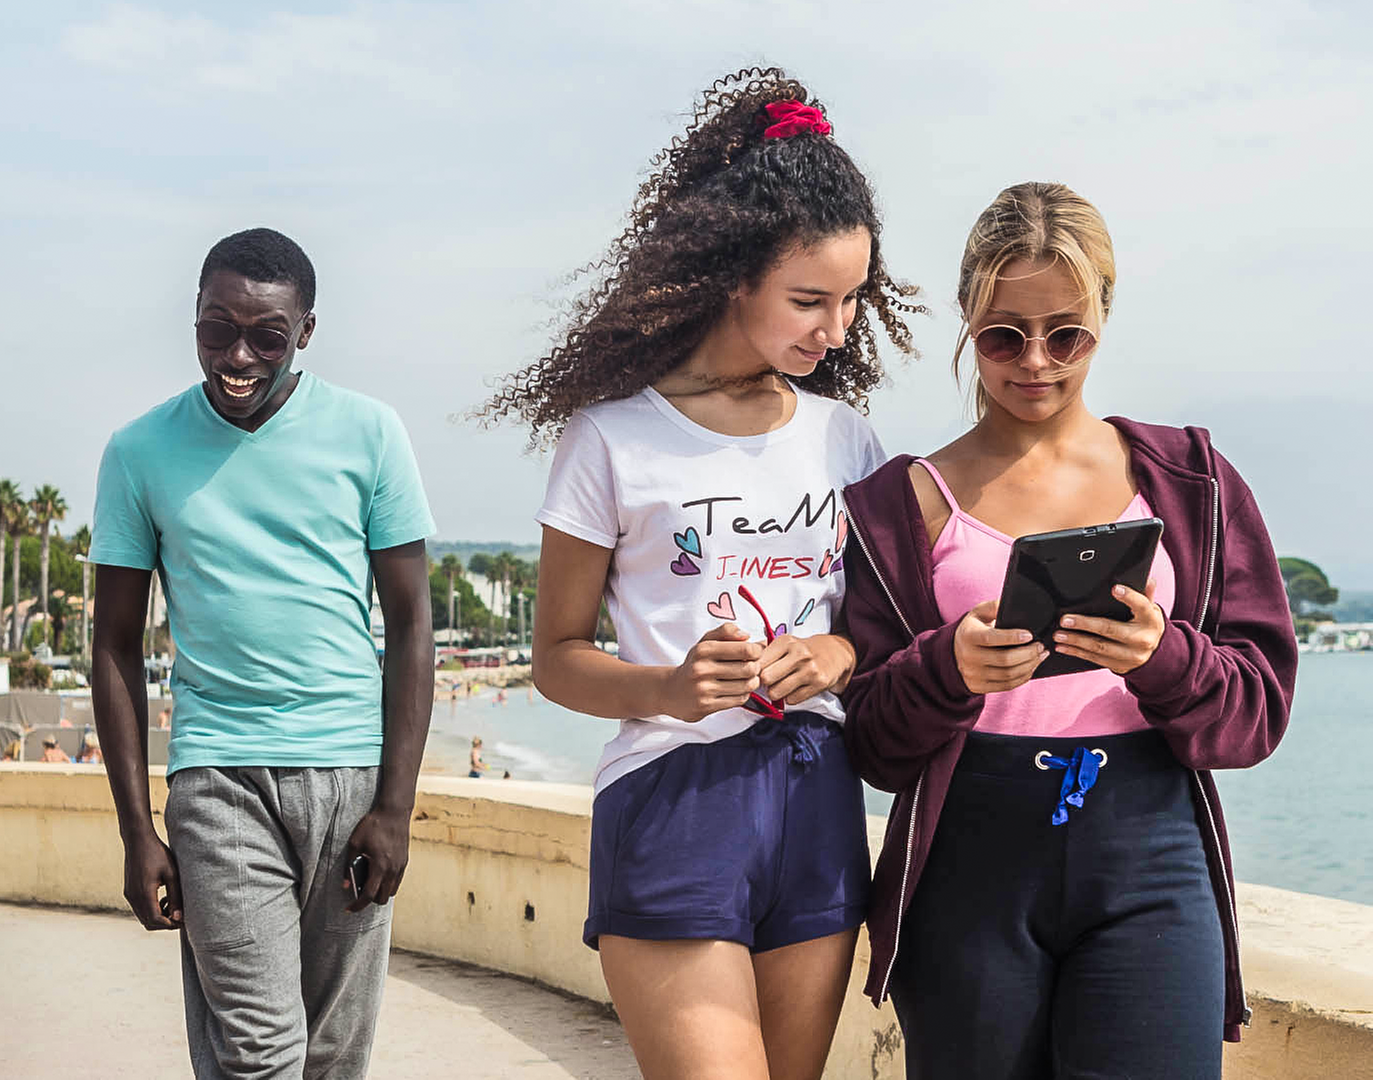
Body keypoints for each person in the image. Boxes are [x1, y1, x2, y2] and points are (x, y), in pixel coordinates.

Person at [483, 69, 917, 1080]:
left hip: (818, 802)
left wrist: (839, 651)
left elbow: (880, 631)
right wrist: (671, 689)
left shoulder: (847, 440)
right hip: (674, 802)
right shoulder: (609, 440)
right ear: (733, 276)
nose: (838, 328)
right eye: (810, 300)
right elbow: (555, 658)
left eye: (853, 299)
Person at [839, 183, 1298, 1078]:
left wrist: (1162, 657)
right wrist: (950, 667)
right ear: (968, 321)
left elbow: (1259, 713)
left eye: (1068, 334)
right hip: (965, 860)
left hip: (1152, 850)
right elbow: (871, 745)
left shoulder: (1192, 481)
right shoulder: (899, 505)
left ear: (1104, 321)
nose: (1036, 361)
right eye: (1004, 334)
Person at [91, 227, 436, 1079]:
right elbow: (113, 647)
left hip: (349, 777)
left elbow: (412, 625)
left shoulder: (370, 434)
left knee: (332, 1054)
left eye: (267, 336)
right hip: (218, 780)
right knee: (259, 1056)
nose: (238, 355)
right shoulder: (139, 451)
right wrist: (137, 829)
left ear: (305, 333)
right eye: (218, 329)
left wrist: (395, 808)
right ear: (196, 320)